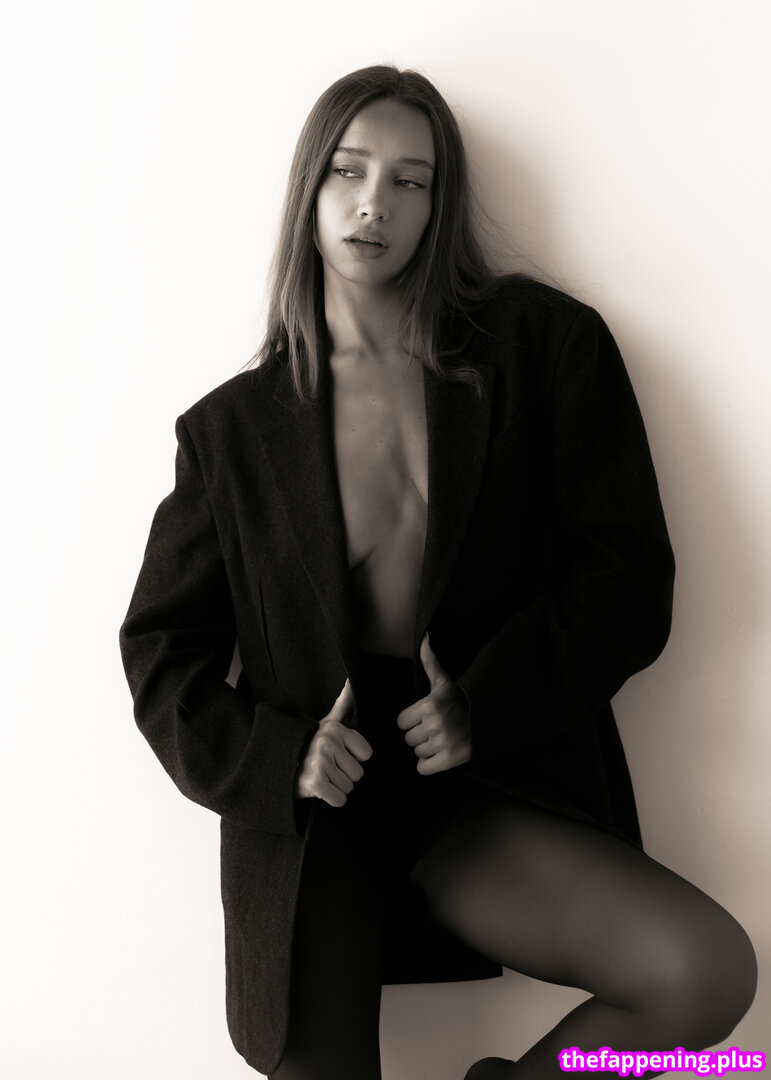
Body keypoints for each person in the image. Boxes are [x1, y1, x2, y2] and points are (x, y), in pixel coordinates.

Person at [119, 65, 757, 1080]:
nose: (375, 203)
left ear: (439, 203)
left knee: (703, 973)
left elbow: (627, 576)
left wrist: (487, 707)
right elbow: (161, 651)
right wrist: (283, 759)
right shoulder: (231, 434)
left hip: (476, 782)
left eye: (410, 181)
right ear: (308, 188)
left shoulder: (544, 349)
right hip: (318, 816)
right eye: (349, 170)